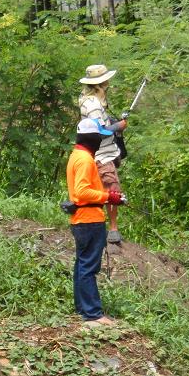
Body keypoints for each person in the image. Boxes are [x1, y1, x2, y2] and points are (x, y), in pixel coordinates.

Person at [66, 117, 125, 326]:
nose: (101, 140)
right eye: (99, 137)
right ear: (91, 138)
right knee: (89, 267)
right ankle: (93, 315)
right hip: (89, 219)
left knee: (82, 265)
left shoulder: (77, 155)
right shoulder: (84, 159)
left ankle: (83, 309)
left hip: (82, 219)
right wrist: (109, 197)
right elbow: (82, 191)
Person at [78, 64, 128, 244]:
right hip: (102, 154)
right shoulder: (93, 105)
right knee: (112, 188)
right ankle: (112, 230)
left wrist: (114, 121)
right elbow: (99, 131)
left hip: (104, 152)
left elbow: (101, 122)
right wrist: (118, 127)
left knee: (105, 188)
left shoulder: (90, 99)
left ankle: (103, 227)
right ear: (100, 83)